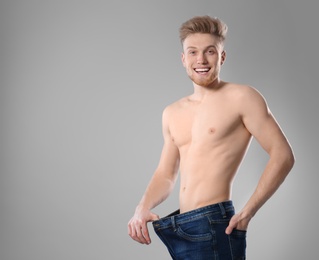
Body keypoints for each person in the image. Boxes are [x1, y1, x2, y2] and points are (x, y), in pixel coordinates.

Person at [128, 15, 294, 259]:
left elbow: (283, 155)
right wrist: (142, 208)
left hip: (214, 223)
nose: (201, 60)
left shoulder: (242, 97)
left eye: (210, 52)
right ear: (183, 59)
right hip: (181, 225)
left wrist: (249, 211)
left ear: (222, 56)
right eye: (193, 52)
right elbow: (166, 174)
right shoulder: (172, 112)